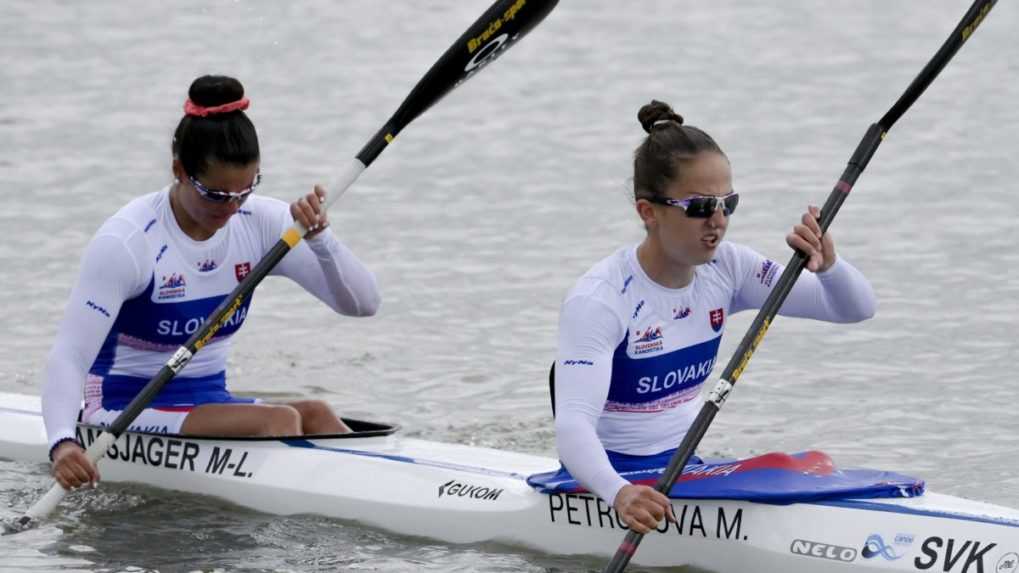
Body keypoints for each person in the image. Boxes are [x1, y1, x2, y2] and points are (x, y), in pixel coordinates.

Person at [552, 100, 876, 534]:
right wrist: (619, 494)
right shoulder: (601, 299)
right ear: (648, 212)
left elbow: (853, 308)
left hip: (686, 470)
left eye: (728, 204)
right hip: (608, 480)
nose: (719, 221)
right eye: (701, 207)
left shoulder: (730, 268)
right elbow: (572, 426)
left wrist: (830, 265)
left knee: (797, 463)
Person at [43, 75, 381, 490]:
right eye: (216, 195)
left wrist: (322, 240)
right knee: (282, 421)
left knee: (318, 415)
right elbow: (69, 355)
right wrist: (62, 444)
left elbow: (363, 305)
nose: (233, 207)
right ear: (179, 171)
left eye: (246, 190)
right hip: (121, 407)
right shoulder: (129, 242)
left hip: (210, 400)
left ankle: (368, 496)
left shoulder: (261, 222)